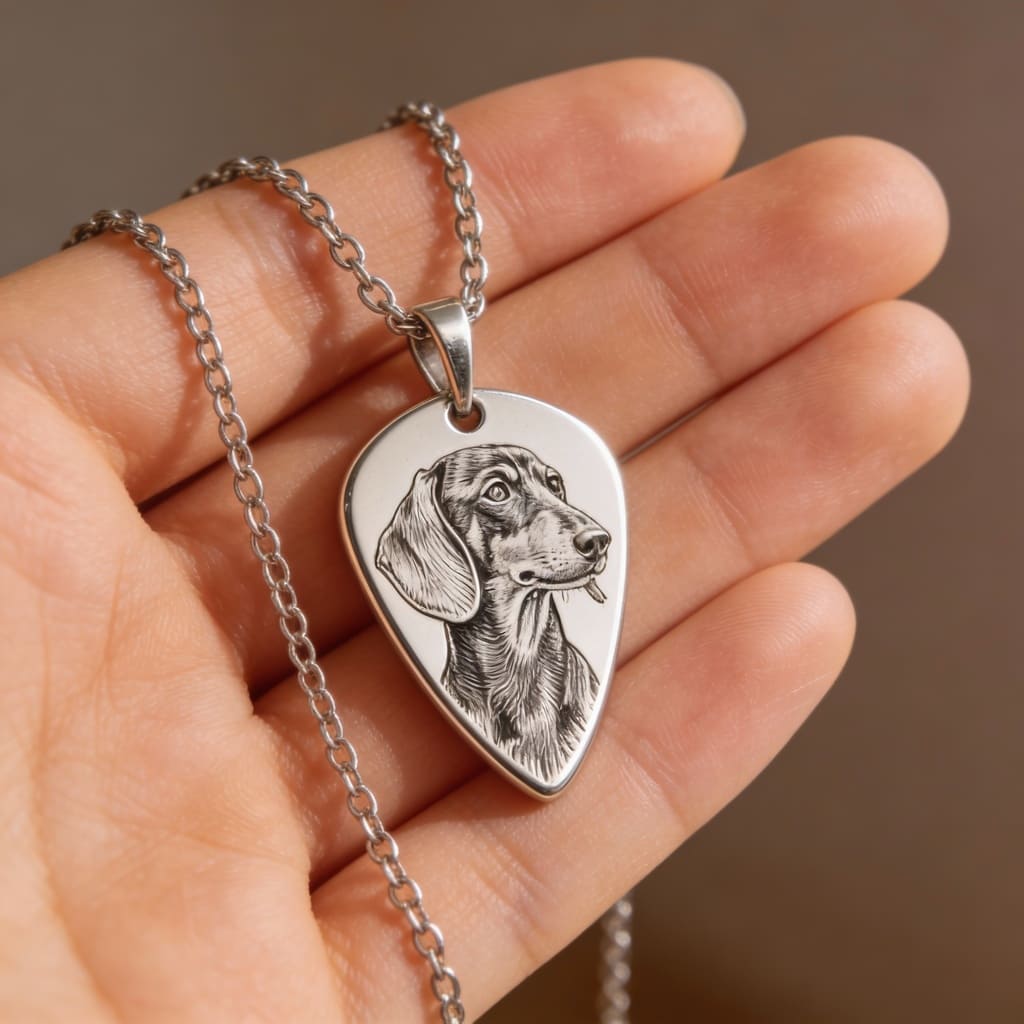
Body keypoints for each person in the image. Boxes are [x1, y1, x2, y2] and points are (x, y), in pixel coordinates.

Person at [0, 59, 967, 1021]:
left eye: (549, 488)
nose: (570, 525)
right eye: (504, 495)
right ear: (441, 546)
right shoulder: (409, 524)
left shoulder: (575, 656)